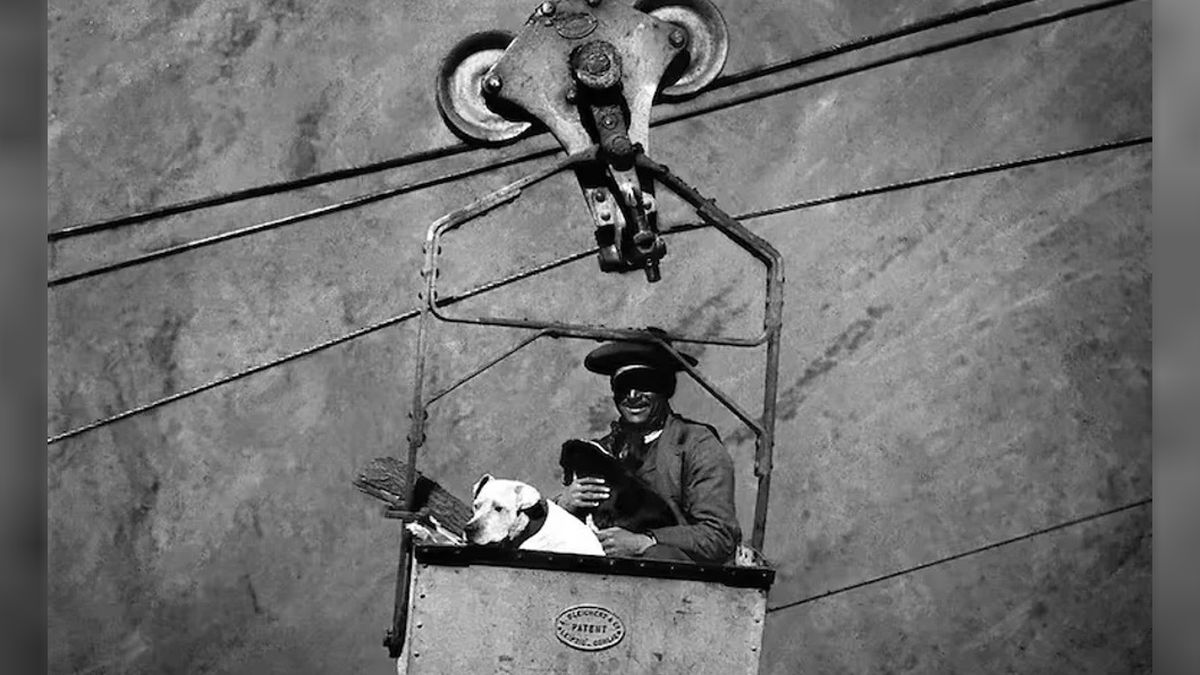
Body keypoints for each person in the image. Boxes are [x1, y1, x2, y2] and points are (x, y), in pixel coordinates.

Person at [554, 332, 741, 564]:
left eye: (645, 384)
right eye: (624, 387)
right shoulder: (600, 453)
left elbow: (719, 536)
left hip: (677, 584)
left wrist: (646, 541)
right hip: (600, 580)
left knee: (657, 556)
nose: (633, 396)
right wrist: (564, 505)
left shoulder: (697, 445)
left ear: (666, 389)